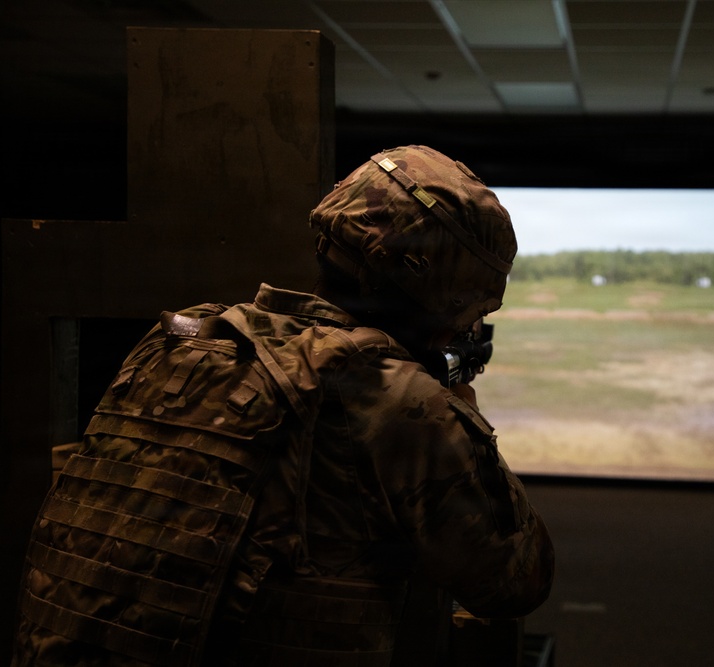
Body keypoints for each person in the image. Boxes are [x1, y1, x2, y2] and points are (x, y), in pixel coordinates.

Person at [11, 145, 555, 666]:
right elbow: (515, 580)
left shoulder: (181, 341)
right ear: (448, 294)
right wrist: (463, 412)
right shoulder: (398, 400)